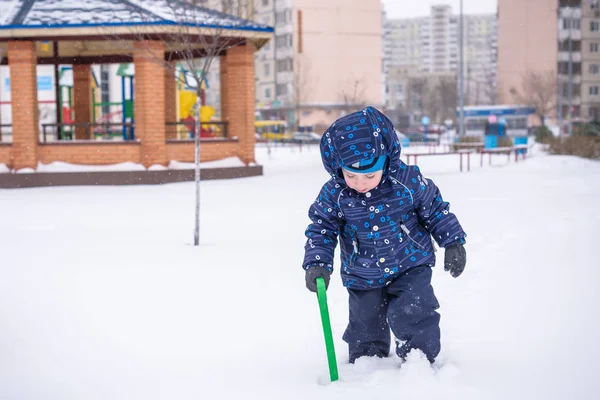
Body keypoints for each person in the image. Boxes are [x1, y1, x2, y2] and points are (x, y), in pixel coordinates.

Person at [302, 107, 467, 364]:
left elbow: (435, 209)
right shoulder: (335, 193)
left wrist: (453, 241)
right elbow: (321, 227)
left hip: (410, 263)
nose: (360, 183)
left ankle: (419, 359)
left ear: (385, 161)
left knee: (414, 309)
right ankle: (368, 365)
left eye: (369, 174)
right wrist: (317, 262)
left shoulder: (407, 182)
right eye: (351, 175)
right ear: (338, 167)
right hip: (362, 270)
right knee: (365, 323)